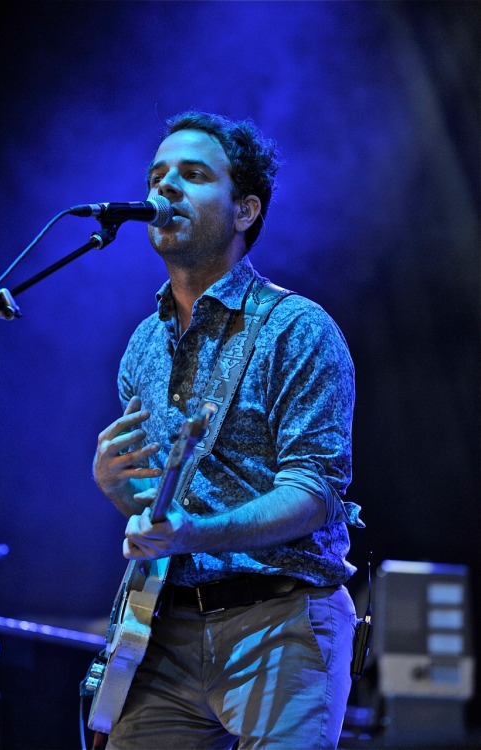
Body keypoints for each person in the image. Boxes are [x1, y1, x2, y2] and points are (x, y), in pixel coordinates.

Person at [92, 110, 364, 750]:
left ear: (245, 210)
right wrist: (120, 489)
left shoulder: (298, 329)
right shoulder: (143, 344)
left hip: (280, 619)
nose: (164, 188)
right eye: (157, 176)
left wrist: (197, 532)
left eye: (192, 175)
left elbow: (315, 492)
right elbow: (163, 509)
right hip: (162, 627)